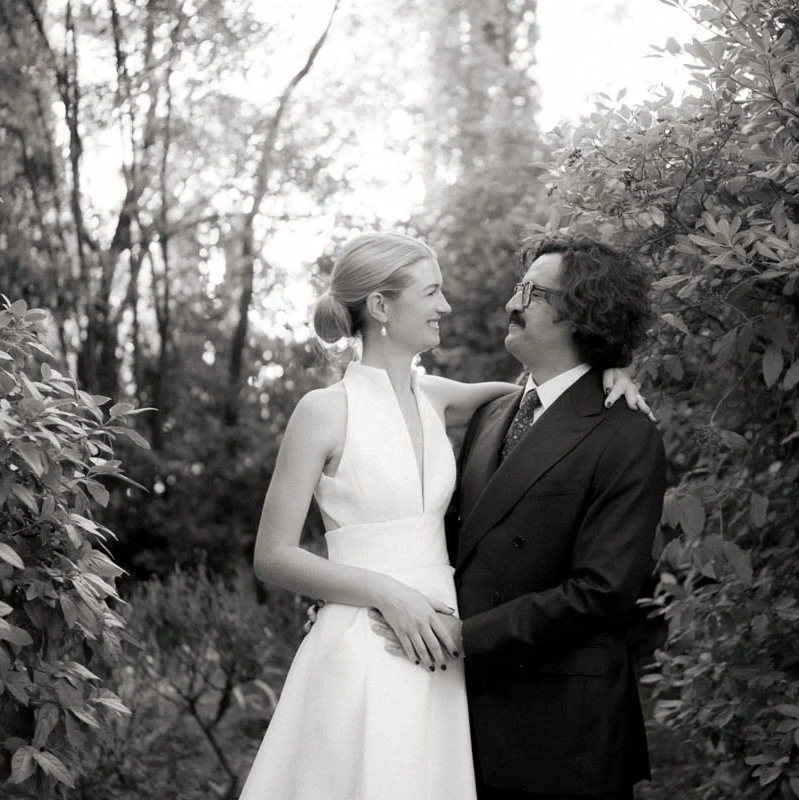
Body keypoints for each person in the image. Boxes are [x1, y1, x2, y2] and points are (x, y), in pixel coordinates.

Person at [238, 231, 648, 800]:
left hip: (448, 647)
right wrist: (380, 592)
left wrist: (610, 370)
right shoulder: (322, 411)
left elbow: (542, 406)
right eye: (432, 292)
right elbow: (273, 555)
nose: (446, 306)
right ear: (381, 306)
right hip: (373, 635)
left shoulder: (438, 397)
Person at [373, 234, 667, 799]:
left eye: (531, 292)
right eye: (517, 288)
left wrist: (467, 635)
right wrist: (352, 596)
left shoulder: (627, 434)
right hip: (464, 715)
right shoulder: (494, 413)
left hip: (562, 730)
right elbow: (442, 538)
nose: (512, 303)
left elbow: (601, 594)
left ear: (582, 312)